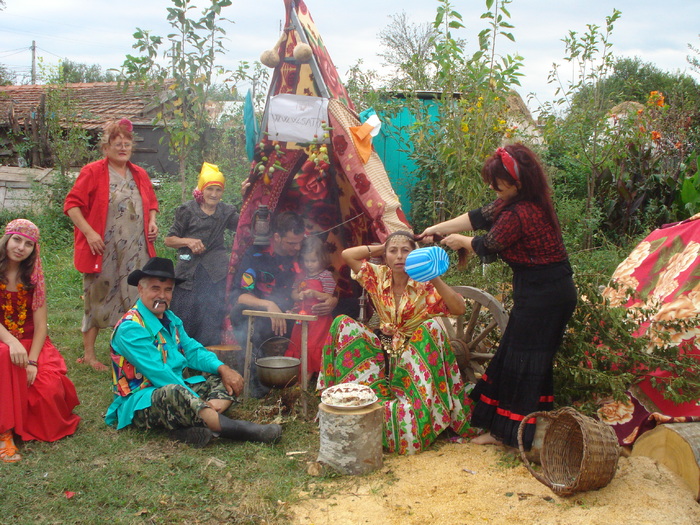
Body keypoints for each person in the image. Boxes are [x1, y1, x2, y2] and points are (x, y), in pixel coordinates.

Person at [421, 143, 577, 450]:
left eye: (498, 183)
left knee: (525, 360)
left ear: (518, 181)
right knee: (521, 358)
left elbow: (487, 243)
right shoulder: (513, 202)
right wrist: (436, 228)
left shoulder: (521, 213)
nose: (493, 188)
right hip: (542, 292)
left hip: (546, 296)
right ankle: (523, 428)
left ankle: (510, 434)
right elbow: (477, 216)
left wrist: (459, 240)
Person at [317, 231, 475, 455]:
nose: (400, 256)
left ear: (415, 254)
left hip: (416, 355)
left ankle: (415, 414)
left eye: (406, 251)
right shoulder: (377, 276)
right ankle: (351, 400)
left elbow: (459, 309)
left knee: (431, 328)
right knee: (343, 324)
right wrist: (385, 246)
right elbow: (348, 255)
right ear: (385, 257)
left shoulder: (424, 283)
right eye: (394, 252)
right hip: (383, 348)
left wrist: (434, 276)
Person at [105, 257, 282, 447]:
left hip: (178, 388)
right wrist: (196, 400)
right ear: (141, 289)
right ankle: (244, 430)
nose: (162, 296)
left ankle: (193, 423)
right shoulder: (130, 328)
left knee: (221, 378)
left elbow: (192, 350)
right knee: (175, 392)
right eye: (155, 288)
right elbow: (159, 373)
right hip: (142, 400)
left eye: (167, 290)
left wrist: (223, 369)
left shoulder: (170, 318)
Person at [64, 118, 159, 371]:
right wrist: (90, 234)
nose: (123, 148)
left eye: (127, 144)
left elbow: (151, 202)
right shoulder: (93, 172)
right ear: (106, 148)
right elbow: (72, 205)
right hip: (102, 249)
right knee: (97, 297)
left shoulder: (139, 174)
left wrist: (152, 221)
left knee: (134, 297)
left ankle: (132, 350)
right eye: (117, 144)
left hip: (135, 249)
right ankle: (90, 355)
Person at [230, 211, 337, 397]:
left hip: (295, 318)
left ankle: (316, 375)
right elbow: (240, 296)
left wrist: (332, 300)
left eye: (299, 243)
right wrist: (269, 305)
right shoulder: (256, 254)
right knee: (239, 313)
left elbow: (324, 279)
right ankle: (259, 383)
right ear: (277, 237)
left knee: (348, 307)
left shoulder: (302, 252)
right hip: (263, 318)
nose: (297, 248)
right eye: (291, 243)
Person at [0, 219, 81, 462]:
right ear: (6, 240)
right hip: (2, 339)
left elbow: (41, 326)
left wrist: (32, 362)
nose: (20, 247)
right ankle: (5, 433)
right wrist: (11, 343)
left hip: (31, 342)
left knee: (46, 391)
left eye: (28, 244)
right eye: (16, 239)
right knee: (4, 356)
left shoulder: (34, 278)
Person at [164, 162, 239, 346]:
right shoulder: (187, 211)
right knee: (184, 315)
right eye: (210, 189)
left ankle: (206, 362)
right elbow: (169, 239)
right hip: (188, 272)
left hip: (214, 274)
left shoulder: (225, 212)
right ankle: (180, 357)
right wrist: (188, 241)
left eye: (218, 190)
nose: (214, 194)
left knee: (211, 317)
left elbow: (244, 225)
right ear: (202, 190)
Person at [285, 235, 336, 376]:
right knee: (299, 343)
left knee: (313, 344)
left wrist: (314, 293)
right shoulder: (301, 276)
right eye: (306, 261)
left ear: (322, 258)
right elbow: (293, 293)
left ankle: (315, 376)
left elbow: (329, 297)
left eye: (313, 260)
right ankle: (300, 376)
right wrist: (299, 296)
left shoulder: (326, 276)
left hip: (319, 319)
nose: (309, 264)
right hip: (302, 318)